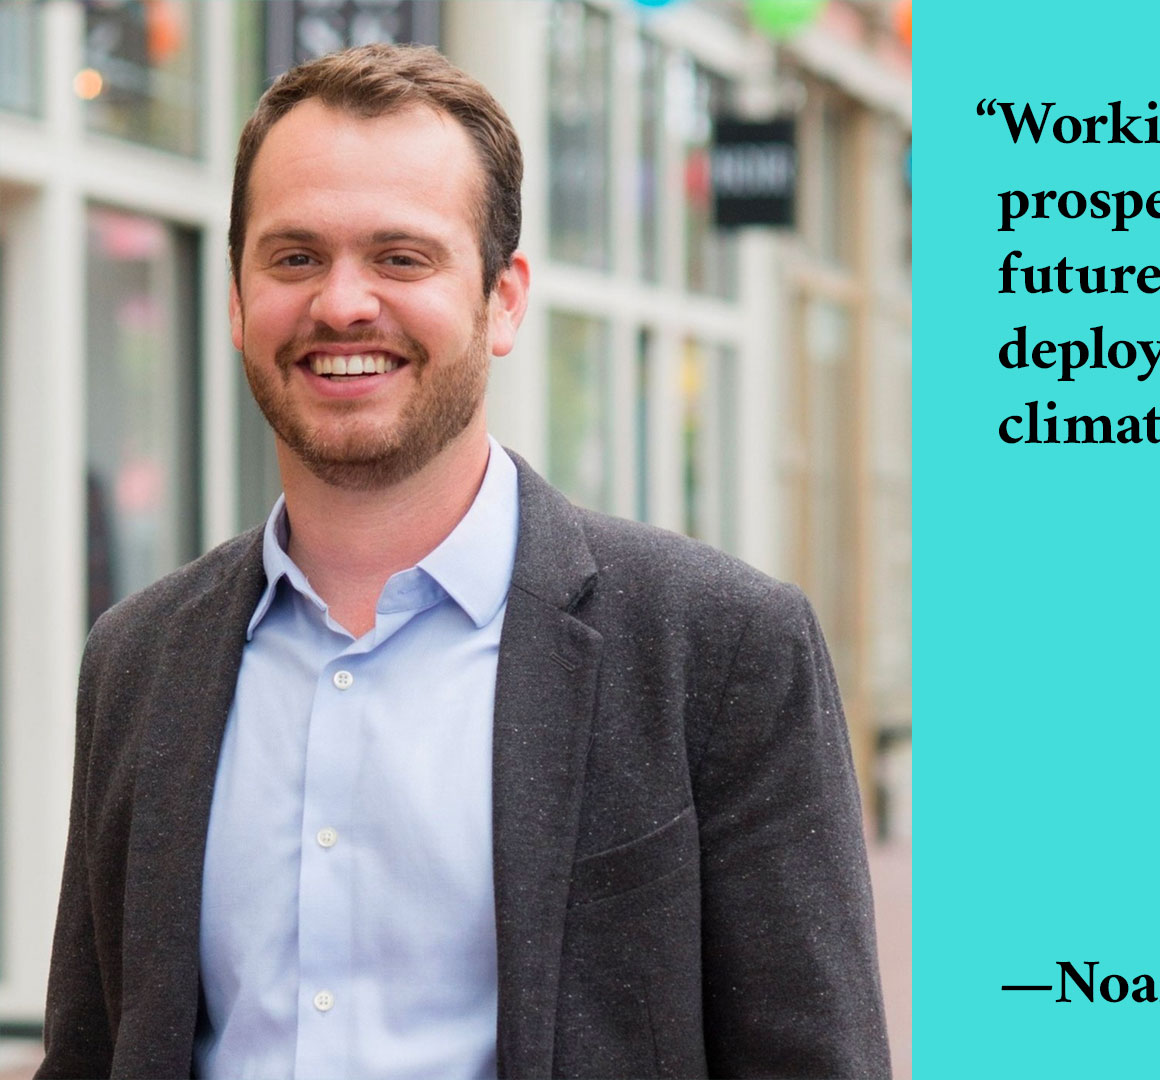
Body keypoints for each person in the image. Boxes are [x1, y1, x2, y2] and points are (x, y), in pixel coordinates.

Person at [37, 43, 888, 1080]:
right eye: (294, 258)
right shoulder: (137, 661)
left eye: (401, 258)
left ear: (504, 299)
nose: (342, 304)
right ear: (236, 299)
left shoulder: (719, 650)